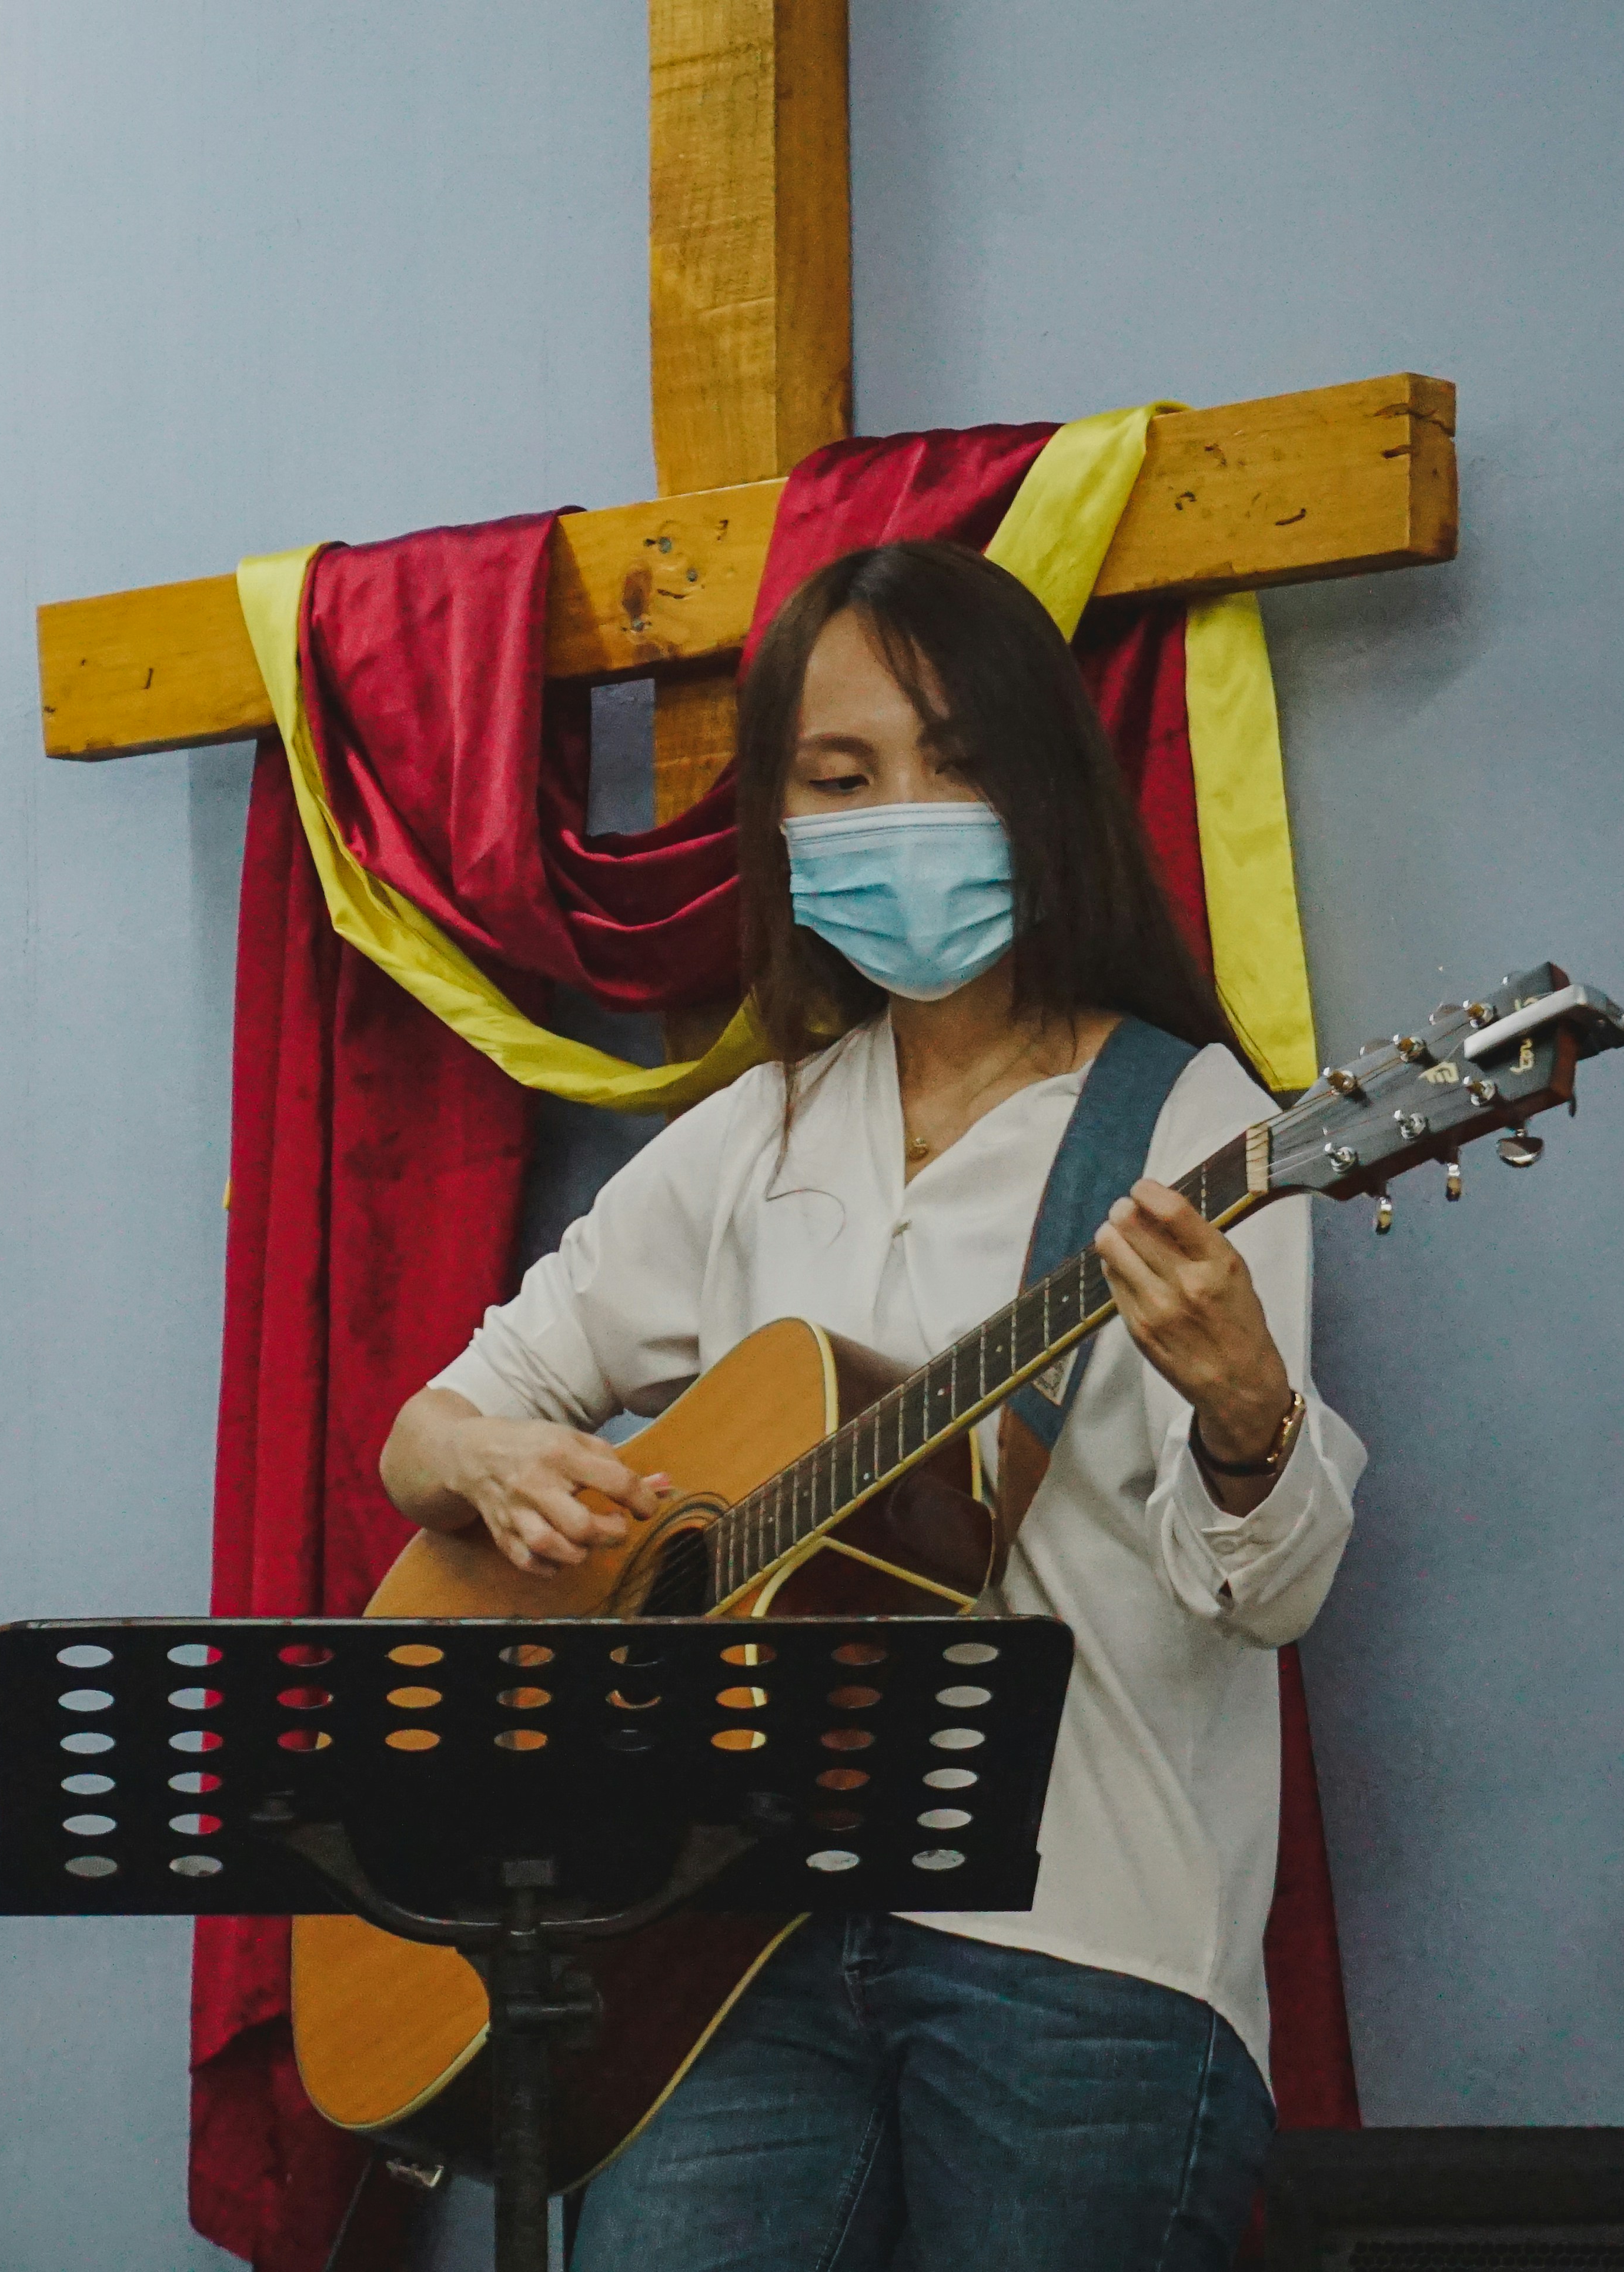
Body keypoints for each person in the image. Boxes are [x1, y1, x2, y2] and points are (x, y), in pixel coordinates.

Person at [378, 540, 1362, 2272]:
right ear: (779, 822)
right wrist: (501, 1468)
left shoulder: (1191, 1130)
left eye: (954, 760)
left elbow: (1265, 1594)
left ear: (1043, 788)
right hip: (733, 1941)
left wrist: (1247, 1423)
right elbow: (430, 1428)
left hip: (1088, 1946)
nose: (900, 811)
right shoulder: (755, 1137)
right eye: (841, 778)